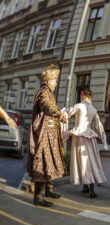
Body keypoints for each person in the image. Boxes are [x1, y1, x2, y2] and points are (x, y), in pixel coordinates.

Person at [27, 65, 67, 207]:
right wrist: (58, 114)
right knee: (42, 163)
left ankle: (49, 191)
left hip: (51, 134)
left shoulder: (49, 92)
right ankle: (38, 197)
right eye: (55, 80)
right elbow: (46, 106)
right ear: (49, 80)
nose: (56, 83)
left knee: (50, 162)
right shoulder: (44, 91)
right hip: (43, 135)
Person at [62, 88, 107, 198]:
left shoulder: (78, 106)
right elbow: (98, 126)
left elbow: (67, 113)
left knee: (82, 162)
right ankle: (88, 187)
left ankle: (88, 187)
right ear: (90, 97)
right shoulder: (94, 109)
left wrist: (60, 113)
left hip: (80, 137)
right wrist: (103, 140)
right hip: (90, 138)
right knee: (90, 161)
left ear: (83, 96)